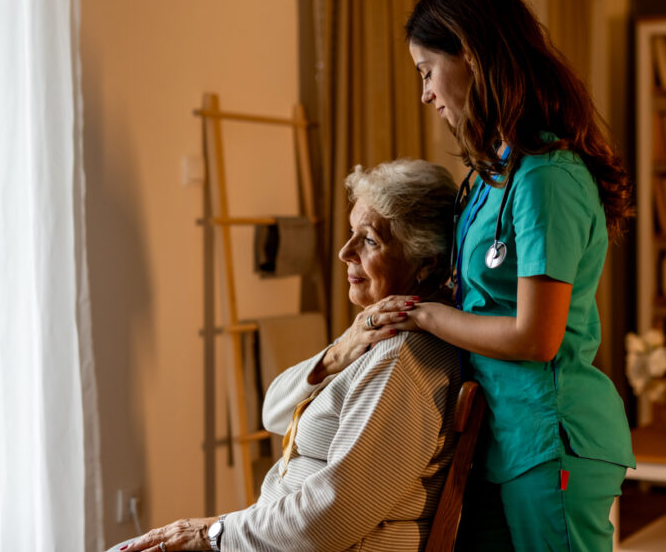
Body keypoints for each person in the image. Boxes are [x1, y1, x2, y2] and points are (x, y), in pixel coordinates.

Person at [377, 0, 636, 551]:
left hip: (550, 436)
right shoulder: (493, 172)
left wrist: (422, 316)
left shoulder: (545, 174)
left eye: (426, 69)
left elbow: (537, 335)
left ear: (468, 52)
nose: (424, 91)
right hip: (498, 440)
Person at [118, 159, 461, 552]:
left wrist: (212, 533)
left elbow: (330, 517)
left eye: (369, 241)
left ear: (426, 260)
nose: (344, 252)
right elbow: (275, 415)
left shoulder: (402, 358)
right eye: (352, 234)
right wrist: (339, 351)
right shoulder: (374, 335)